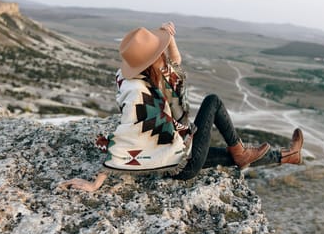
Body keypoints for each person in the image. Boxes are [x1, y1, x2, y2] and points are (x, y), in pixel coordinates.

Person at [59, 22, 303, 192]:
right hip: (183, 163)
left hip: (179, 144)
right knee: (213, 102)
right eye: (159, 50)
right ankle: (241, 152)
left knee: (229, 157)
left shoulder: (137, 75)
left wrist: (170, 38)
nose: (163, 52)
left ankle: (287, 156)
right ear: (152, 60)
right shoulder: (139, 96)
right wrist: (96, 182)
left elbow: (175, 63)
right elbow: (126, 140)